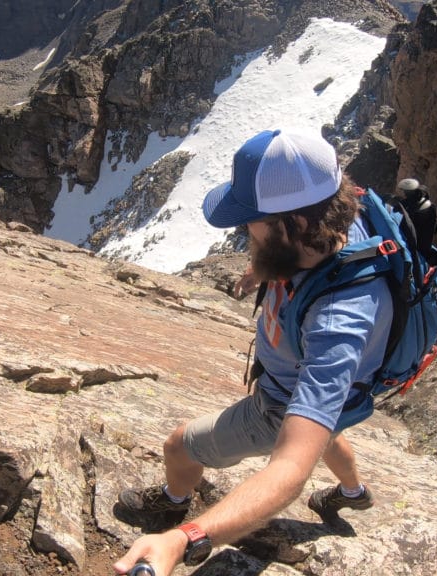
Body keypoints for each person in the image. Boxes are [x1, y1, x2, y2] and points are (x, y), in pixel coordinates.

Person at [113, 128, 393, 576]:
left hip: (278, 402)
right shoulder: (336, 223)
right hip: (327, 392)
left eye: (253, 223)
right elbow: (299, 249)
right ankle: (354, 493)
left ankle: (172, 503)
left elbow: (289, 469)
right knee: (324, 427)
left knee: (180, 447)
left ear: (295, 224)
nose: (246, 230)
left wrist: (186, 539)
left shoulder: (338, 324)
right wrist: (261, 268)